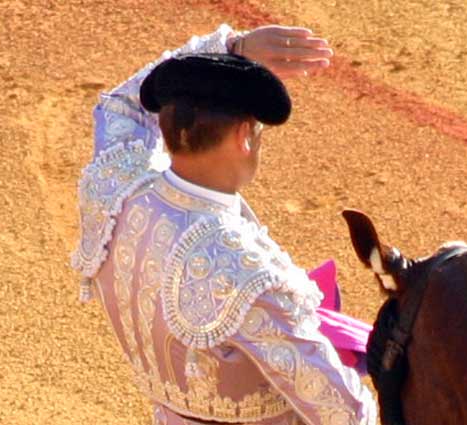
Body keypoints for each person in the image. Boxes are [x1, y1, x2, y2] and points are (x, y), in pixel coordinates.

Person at [71, 23, 377, 425]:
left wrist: (232, 49)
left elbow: (123, 106)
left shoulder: (116, 187)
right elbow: (345, 414)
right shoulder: (244, 271)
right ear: (244, 135)